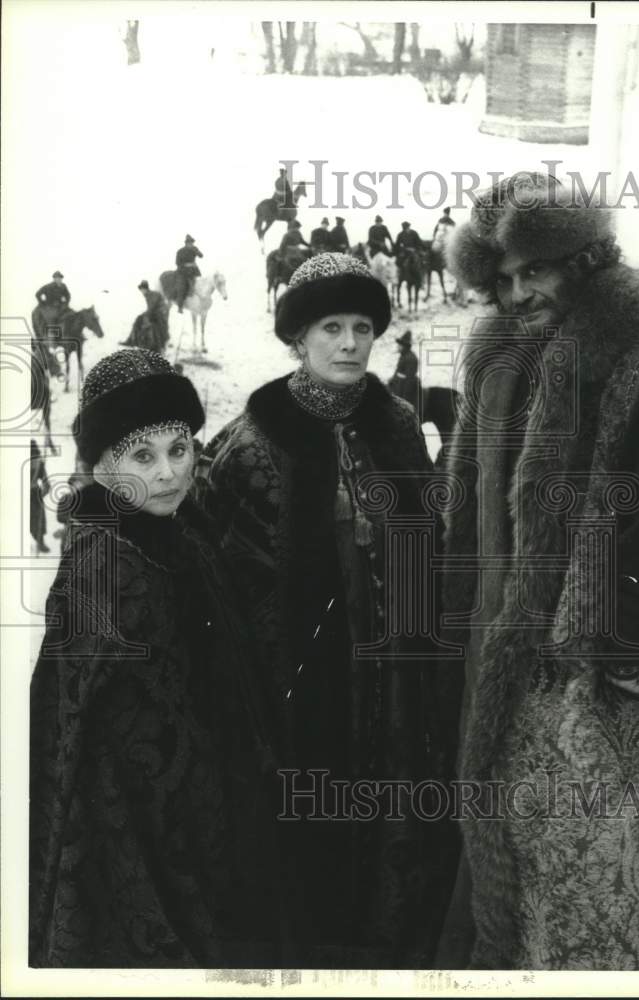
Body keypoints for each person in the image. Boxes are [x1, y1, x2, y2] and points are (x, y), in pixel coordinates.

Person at [439, 172, 639, 971]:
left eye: (532, 271)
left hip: (607, 675)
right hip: (505, 658)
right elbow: (465, 497)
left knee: (605, 868)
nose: (517, 294)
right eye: (501, 280)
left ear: (582, 260)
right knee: (521, 851)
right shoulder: (498, 356)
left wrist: (618, 643)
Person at [193, 253, 461, 969]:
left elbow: (429, 546)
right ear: (298, 340)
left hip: (396, 678)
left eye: (362, 327)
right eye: (331, 327)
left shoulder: (399, 427)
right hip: (298, 690)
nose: (349, 343)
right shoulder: (252, 443)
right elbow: (217, 579)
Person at [29, 349, 278, 968]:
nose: (168, 473)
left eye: (179, 448)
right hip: (141, 840)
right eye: (143, 456)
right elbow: (93, 746)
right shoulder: (104, 569)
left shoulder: (183, 535)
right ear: (104, 466)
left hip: (212, 814)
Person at [121, 280, 169, 351]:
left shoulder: (152, 295)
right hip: (156, 313)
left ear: (146, 289)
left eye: (143, 290)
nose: (142, 292)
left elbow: (152, 308)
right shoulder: (149, 295)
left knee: (147, 322)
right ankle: (132, 340)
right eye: (141, 290)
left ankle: (150, 344)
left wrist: (147, 315)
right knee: (139, 319)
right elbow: (151, 309)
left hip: (160, 315)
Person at [388, 329, 421, 413]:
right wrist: (391, 381)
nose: (397, 347)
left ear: (404, 346)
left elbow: (409, 379)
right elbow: (398, 372)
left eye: (399, 345)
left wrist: (404, 400)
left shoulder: (411, 358)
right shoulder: (403, 356)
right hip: (398, 384)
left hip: (404, 388)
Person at [34, 271, 72, 343]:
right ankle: (52, 336)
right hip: (50, 307)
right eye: (57, 278)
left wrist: (66, 303)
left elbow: (68, 296)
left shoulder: (63, 286)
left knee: (71, 314)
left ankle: (69, 333)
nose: (59, 280)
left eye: (60, 278)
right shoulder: (48, 286)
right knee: (52, 318)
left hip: (60, 306)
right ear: (54, 279)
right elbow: (37, 294)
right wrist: (42, 303)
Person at [29, 440, 50, 554]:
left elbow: (47, 484)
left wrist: (40, 494)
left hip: (33, 494)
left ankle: (40, 542)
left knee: (37, 519)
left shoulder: (38, 463)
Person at [174, 234, 203, 314]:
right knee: (181, 287)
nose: (191, 244)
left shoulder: (194, 249)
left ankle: (201, 303)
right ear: (186, 243)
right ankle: (180, 307)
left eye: (192, 242)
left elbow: (201, 256)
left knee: (200, 285)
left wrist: (196, 251)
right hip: (182, 272)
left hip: (193, 271)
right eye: (189, 243)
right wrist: (187, 265)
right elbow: (177, 263)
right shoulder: (180, 251)